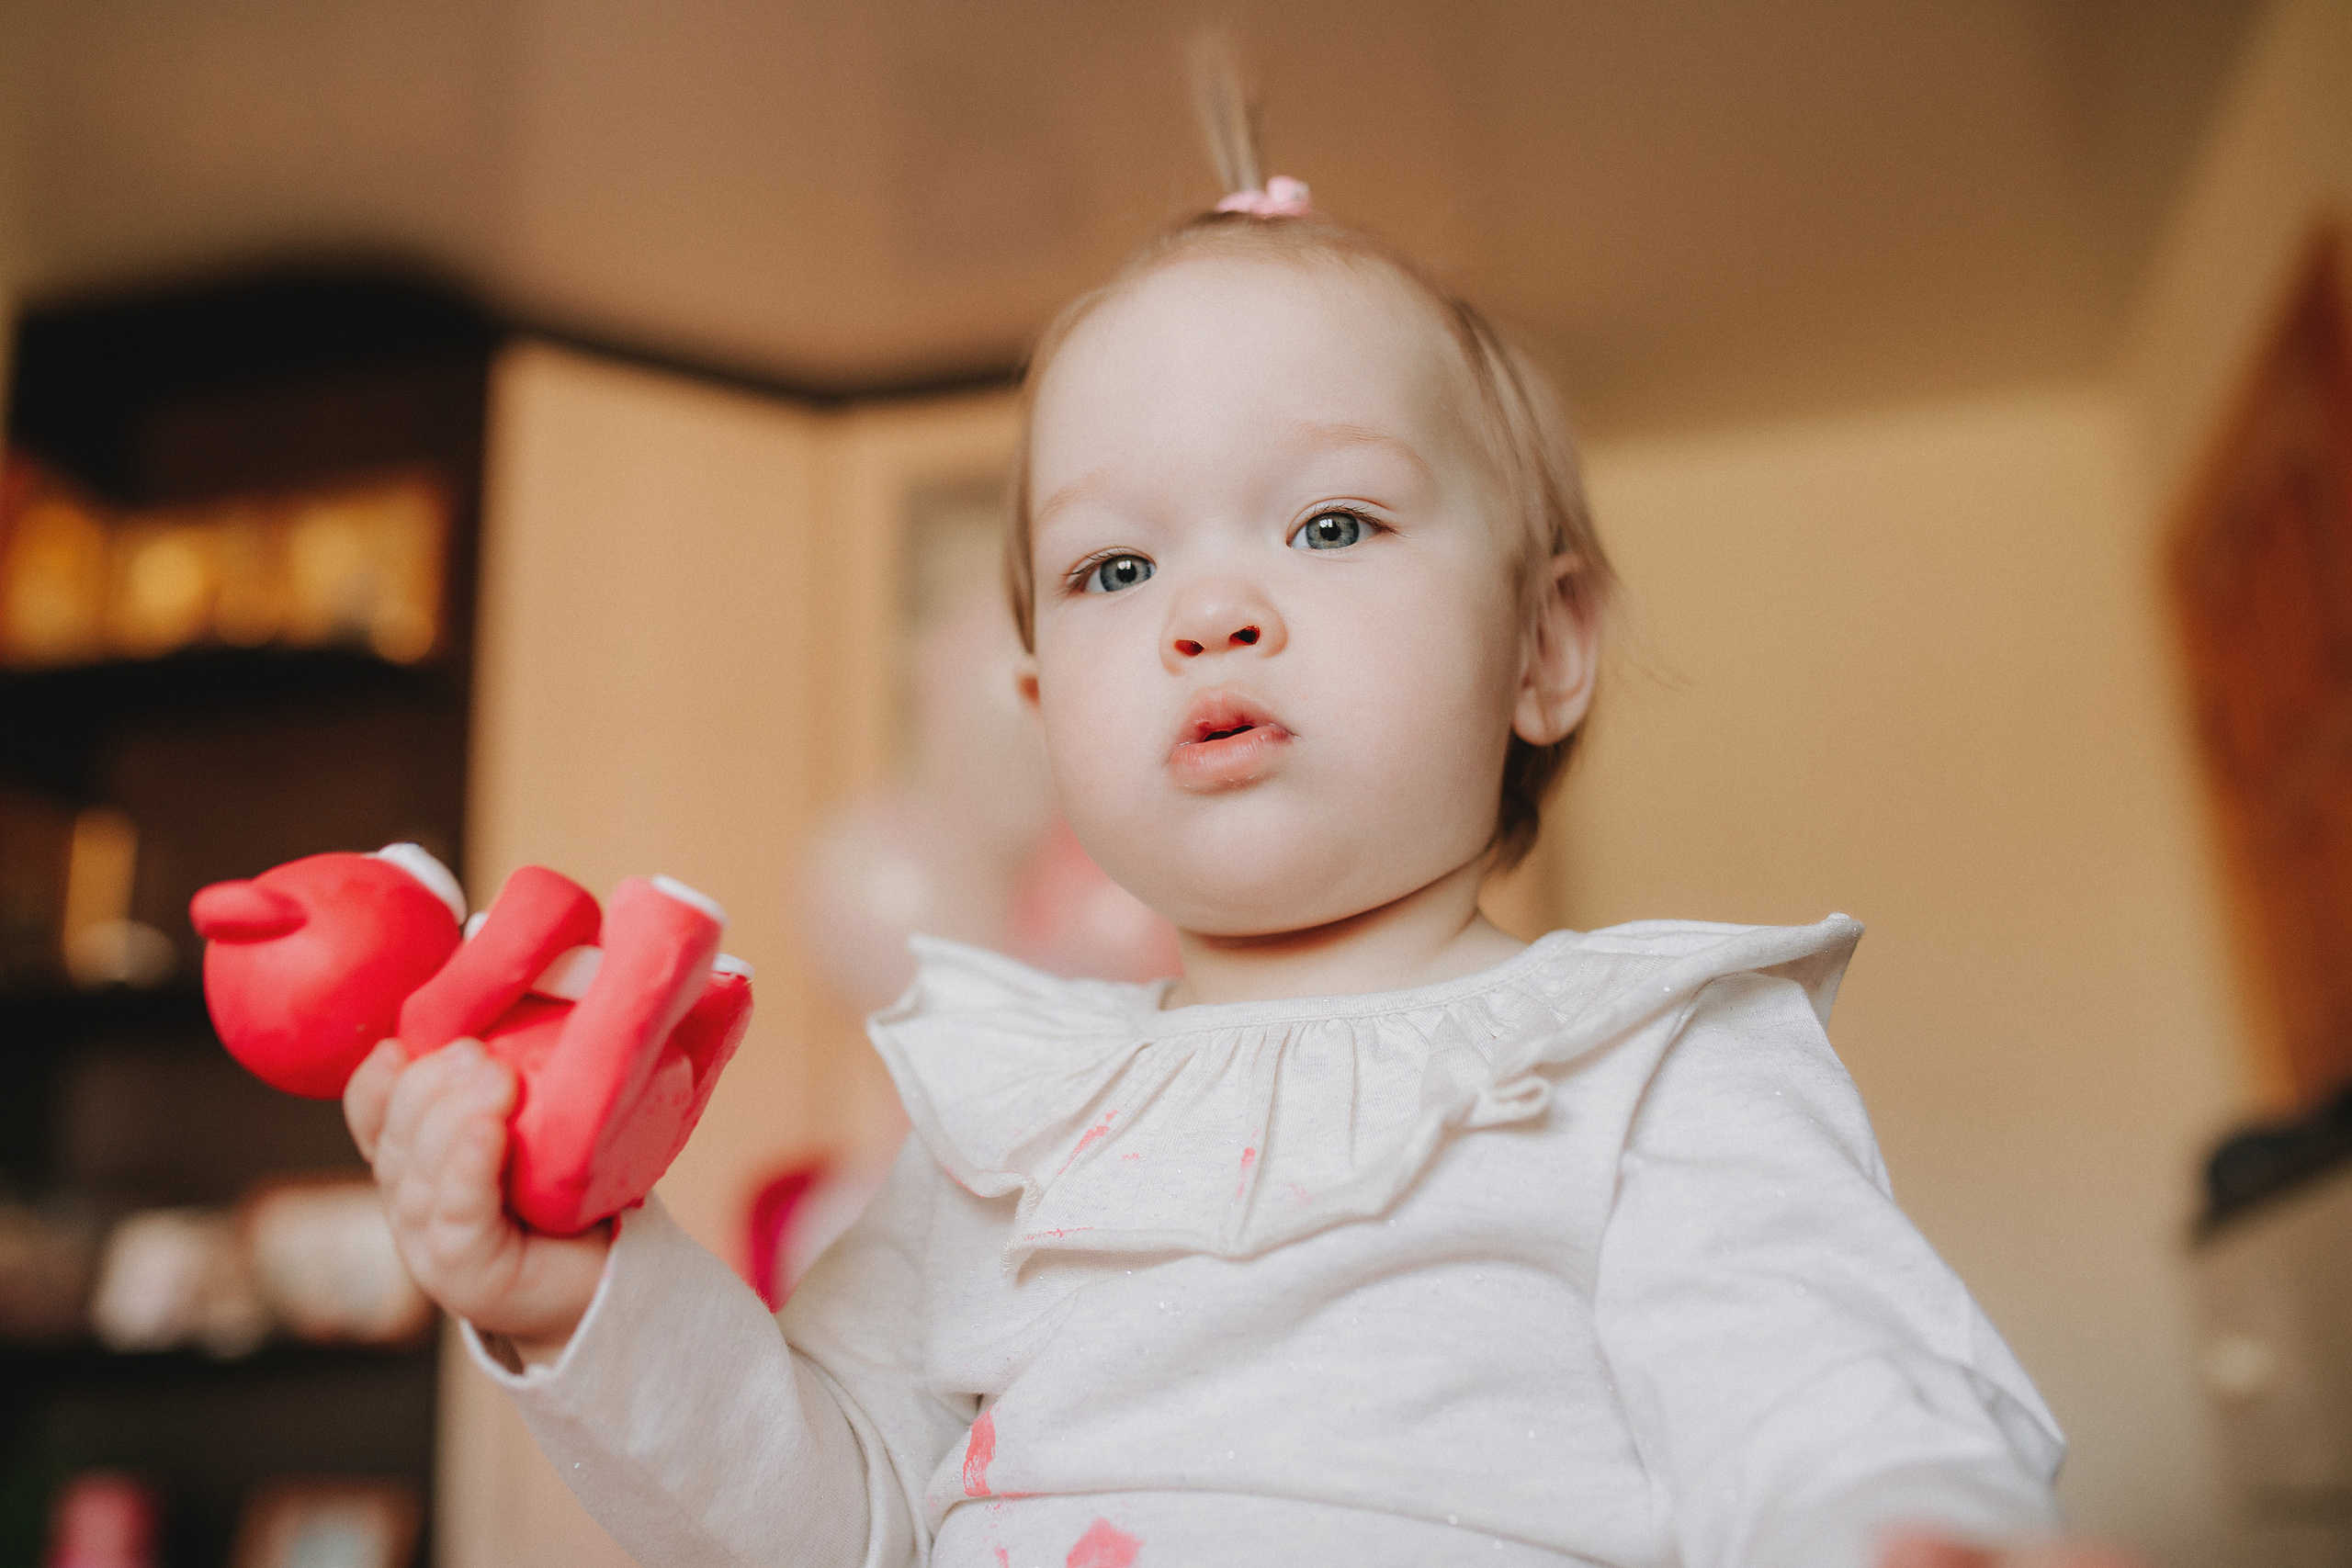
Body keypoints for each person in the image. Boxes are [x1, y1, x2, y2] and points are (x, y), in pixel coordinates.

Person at [343, 97, 2146, 1568]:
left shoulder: (1642, 1058)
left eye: (1334, 525)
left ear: (1541, 645)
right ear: (1048, 712)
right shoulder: (1002, 1119)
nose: (1209, 610)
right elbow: (838, 1509)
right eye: (1116, 566)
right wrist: (577, 1287)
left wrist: (1913, 1532)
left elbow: (1825, 1394)